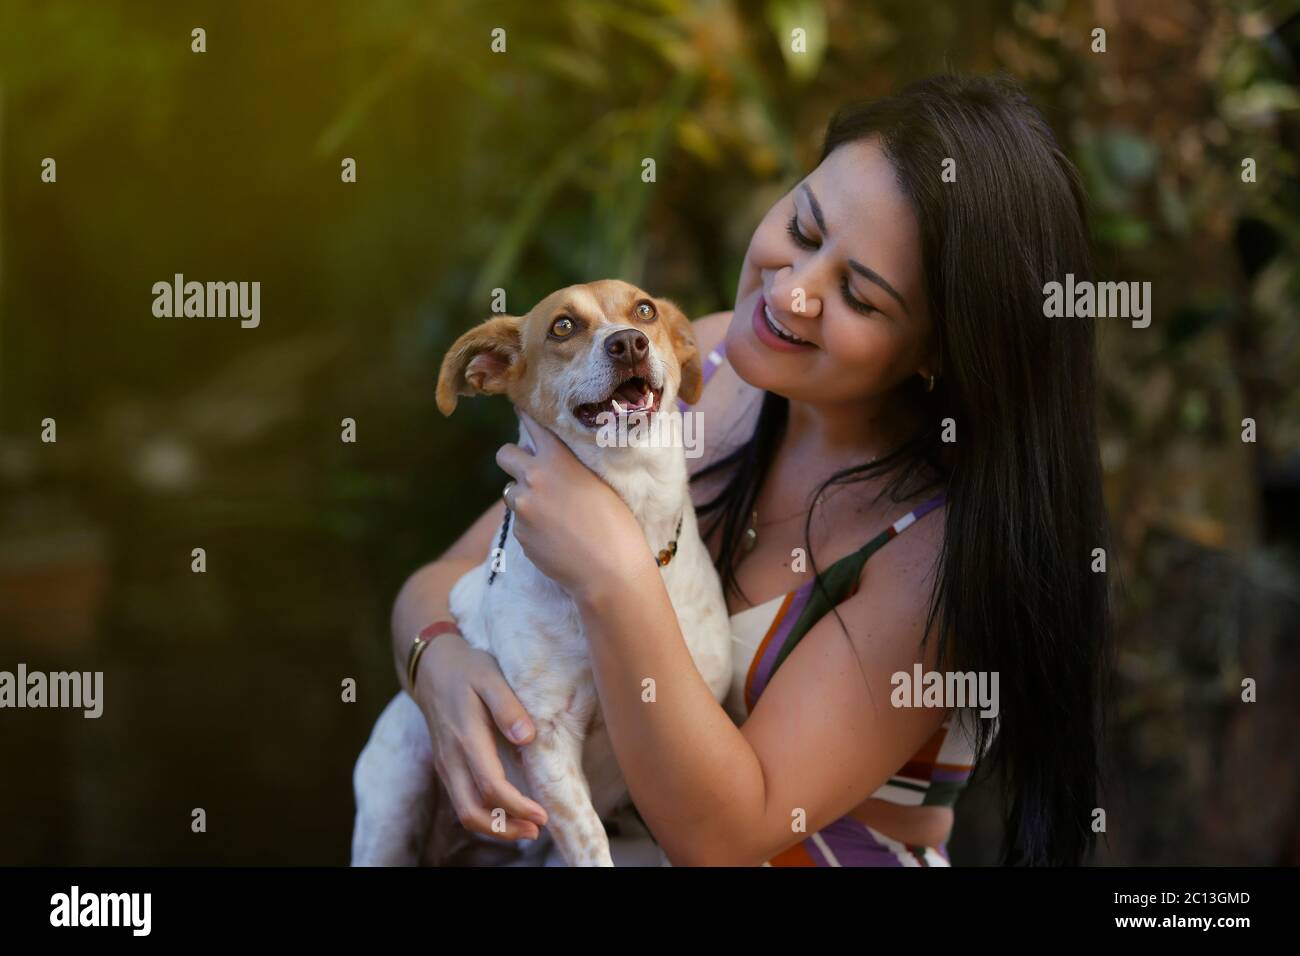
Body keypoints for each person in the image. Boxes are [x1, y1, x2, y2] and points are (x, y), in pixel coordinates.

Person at [379, 73, 1111, 866]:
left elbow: (725, 834)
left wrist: (617, 577)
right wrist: (442, 663)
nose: (792, 292)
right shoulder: (705, 367)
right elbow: (447, 578)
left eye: (859, 297)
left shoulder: (935, 548)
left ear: (941, 350)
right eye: (802, 228)